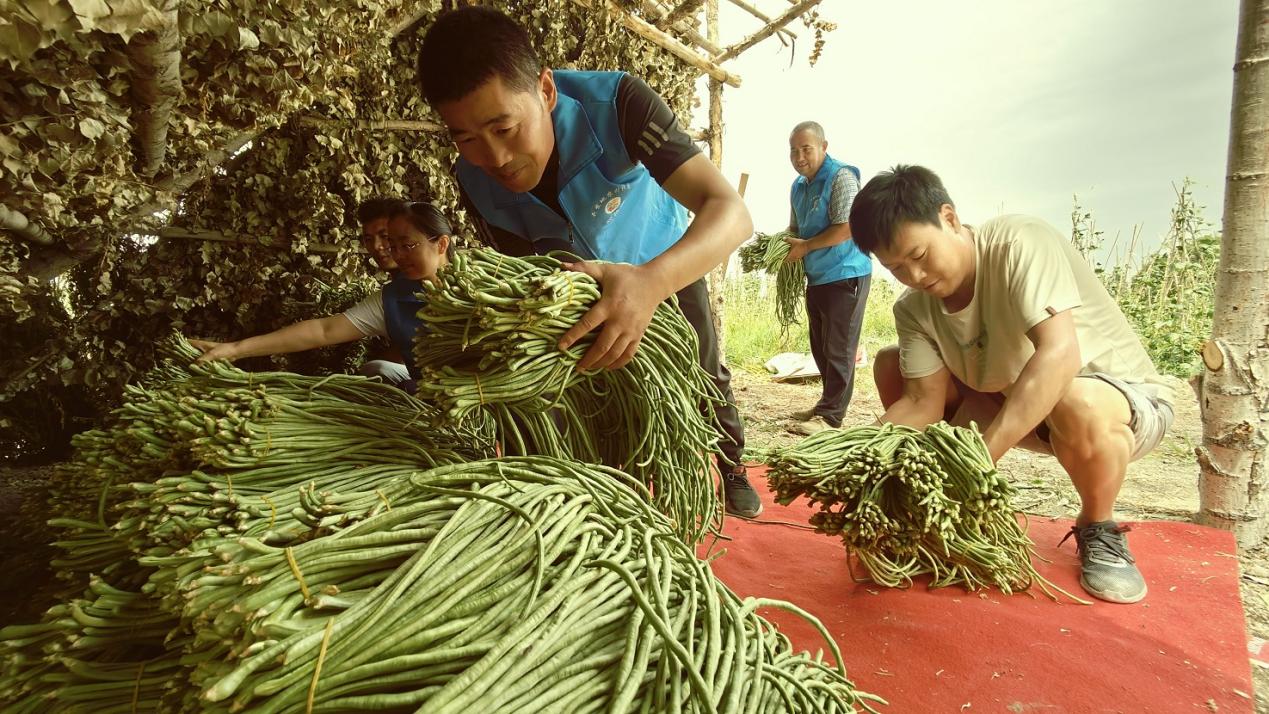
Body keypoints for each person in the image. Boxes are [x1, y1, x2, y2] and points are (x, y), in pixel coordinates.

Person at [416, 6, 762, 518]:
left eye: (505, 128)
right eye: (466, 138)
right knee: (601, 384)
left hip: (661, 261)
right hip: (580, 287)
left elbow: (731, 213)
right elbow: (521, 267)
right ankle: (621, 485)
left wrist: (649, 283)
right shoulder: (471, 178)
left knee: (703, 369)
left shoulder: (619, 103)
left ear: (546, 90)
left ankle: (731, 465)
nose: (495, 158)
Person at [848, 164, 1175, 604]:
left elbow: (1061, 355)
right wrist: (861, 460)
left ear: (948, 218)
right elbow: (920, 403)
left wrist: (976, 462)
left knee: (1075, 399)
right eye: (896, 268)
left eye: (920, 256)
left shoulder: (1018, 242)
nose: (915, 277)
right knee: (891, 364)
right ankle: (944, 515)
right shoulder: (914, 309)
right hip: (1011, 400)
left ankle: (1099, 526)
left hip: (1118, 401)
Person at [192, 201, 454, 392]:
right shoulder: (392, 299)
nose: (396, 255)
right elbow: (323, 330)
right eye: (394, 246)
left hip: (486, 400)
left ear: (441, 244)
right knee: (376, 372)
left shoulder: (485, 281)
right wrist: (236, 350)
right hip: (439, 399)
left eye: (406, 245)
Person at [782, 121, 872, 436]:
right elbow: (795, 230)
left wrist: (806, 246)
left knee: (839, 347)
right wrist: (780, 247)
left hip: (845, 272)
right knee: (821, 346)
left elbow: (846, 227)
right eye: (794, 150)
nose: (799, 156)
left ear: (824, 146)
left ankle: (832, 417)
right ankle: (825, 405)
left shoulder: (841, 177)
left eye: (806, 148)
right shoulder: (798, 186)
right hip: (817, 275)